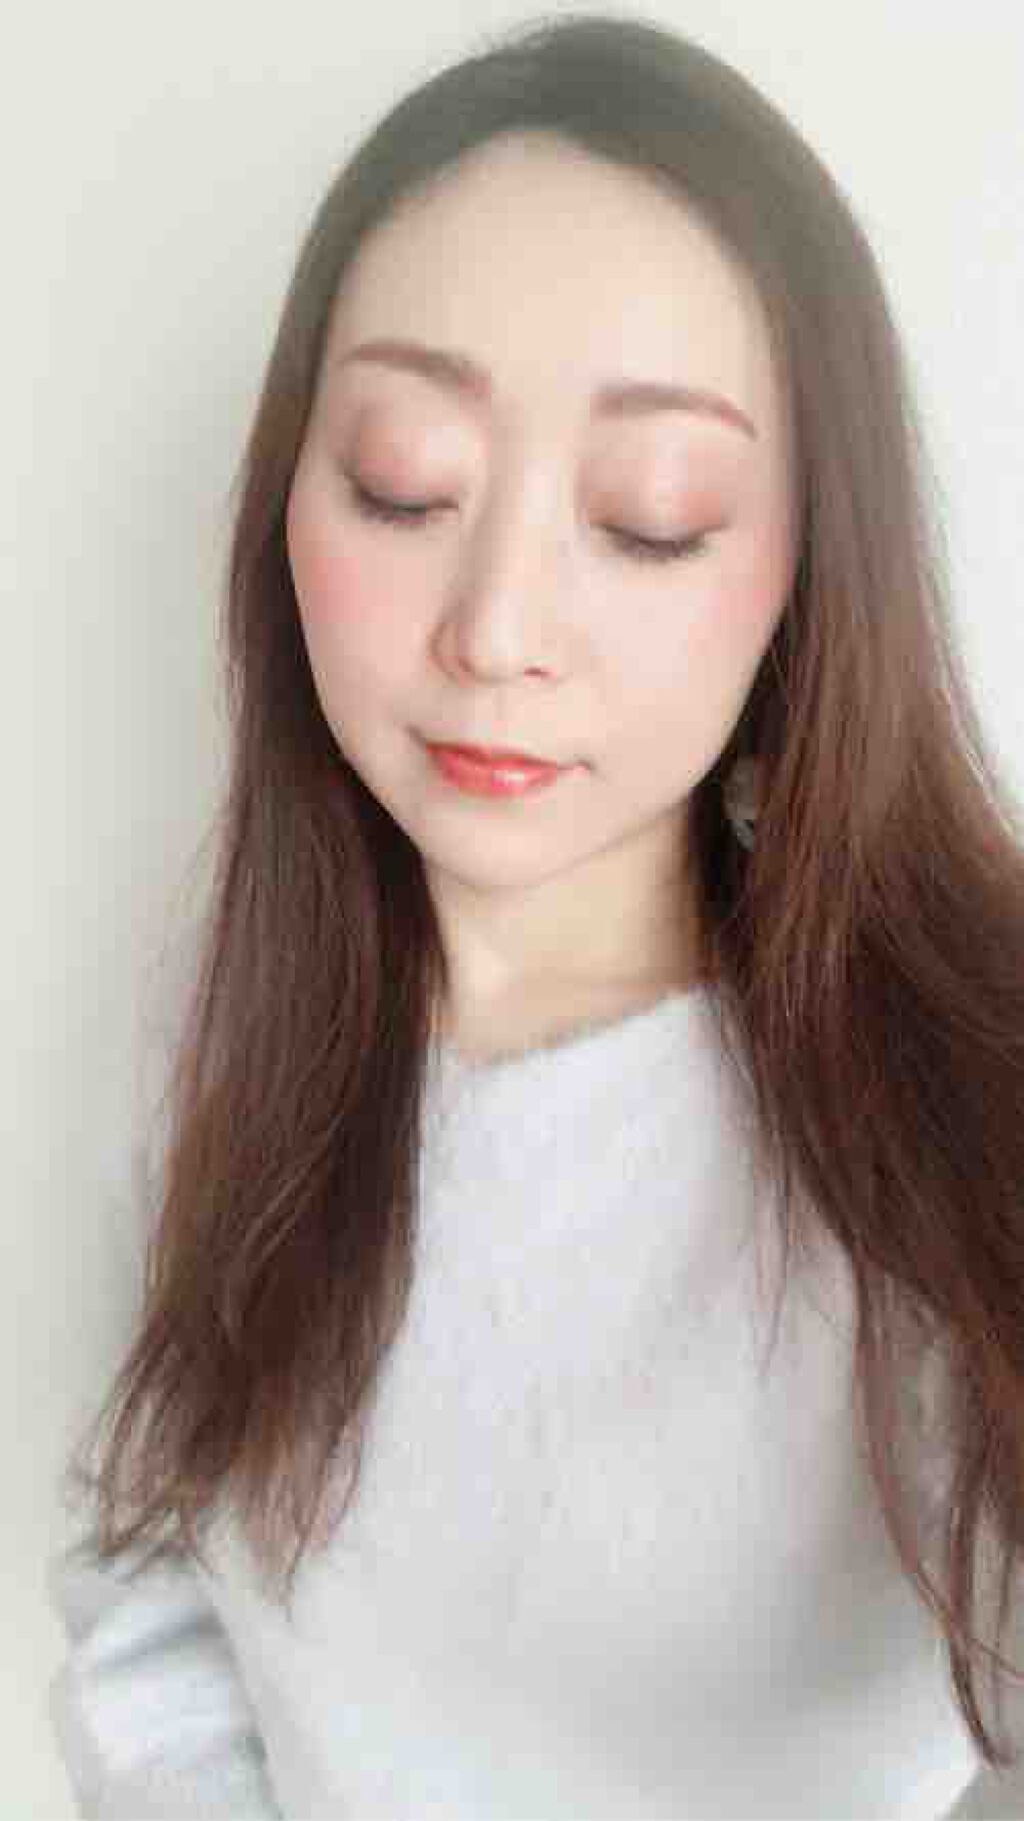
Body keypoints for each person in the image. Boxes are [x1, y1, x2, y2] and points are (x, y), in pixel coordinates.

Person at [46, 13, 1024, 1818]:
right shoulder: (207, 1020)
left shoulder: (962, 1085)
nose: (496, 625)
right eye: (404, 483)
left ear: (807, 567)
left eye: (651, 518)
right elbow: (149, 1582)